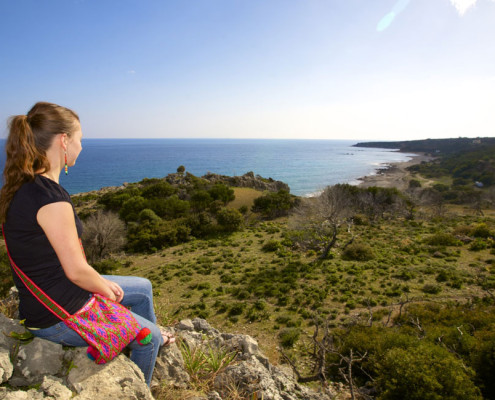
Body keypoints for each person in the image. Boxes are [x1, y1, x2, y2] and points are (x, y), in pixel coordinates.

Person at [0, 102, 174, 386]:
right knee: (150, 337)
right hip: (56, 313)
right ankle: (140, 382)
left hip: (53, 291)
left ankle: (144, 339)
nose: (82, 146)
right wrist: (104, 289)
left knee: (142, 288)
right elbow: (77, 271)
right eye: (80, 138)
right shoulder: (51, 200)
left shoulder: (27, 187)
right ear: (63, 140)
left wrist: (101, 286)